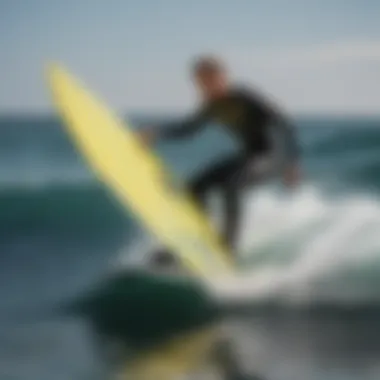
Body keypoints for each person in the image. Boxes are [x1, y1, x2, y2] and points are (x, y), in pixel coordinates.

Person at [139, 55, 301, 260]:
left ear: (222, 77)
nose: (205, 86)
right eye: (200, 83)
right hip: (250, 158)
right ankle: (194, 241)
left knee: (231, 184)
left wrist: (292, 163)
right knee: (195, 186)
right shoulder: (212, 106)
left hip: (274, 157)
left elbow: (282, 123)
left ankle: (228, 249)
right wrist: (157, 133)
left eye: (209, 80)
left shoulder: (243, 97)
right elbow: (188, 129)